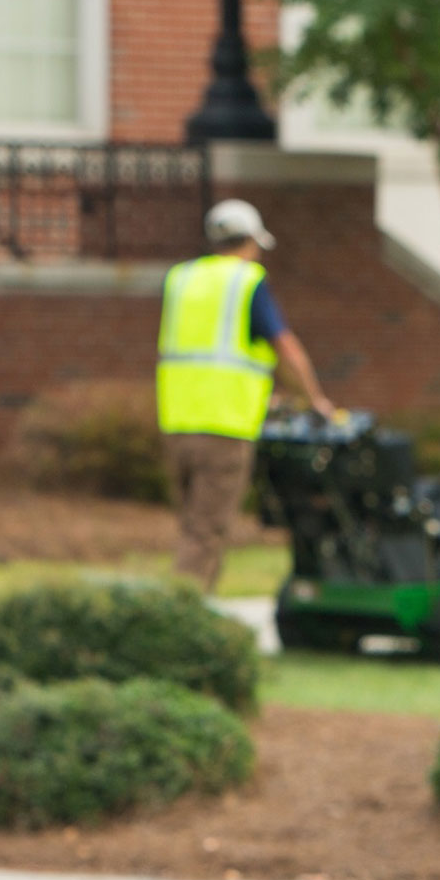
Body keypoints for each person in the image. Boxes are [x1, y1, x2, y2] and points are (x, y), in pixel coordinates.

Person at [156, 198, 340, 591]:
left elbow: (205, 354)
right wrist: (313, 399)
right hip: (224, 427)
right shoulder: (247, 281)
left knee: (192, 527)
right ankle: (180, 620)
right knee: (206, 533)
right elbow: (284, 348)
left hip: (176, 421)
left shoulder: (182, 278)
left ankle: (195, 610)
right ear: (252, 242)